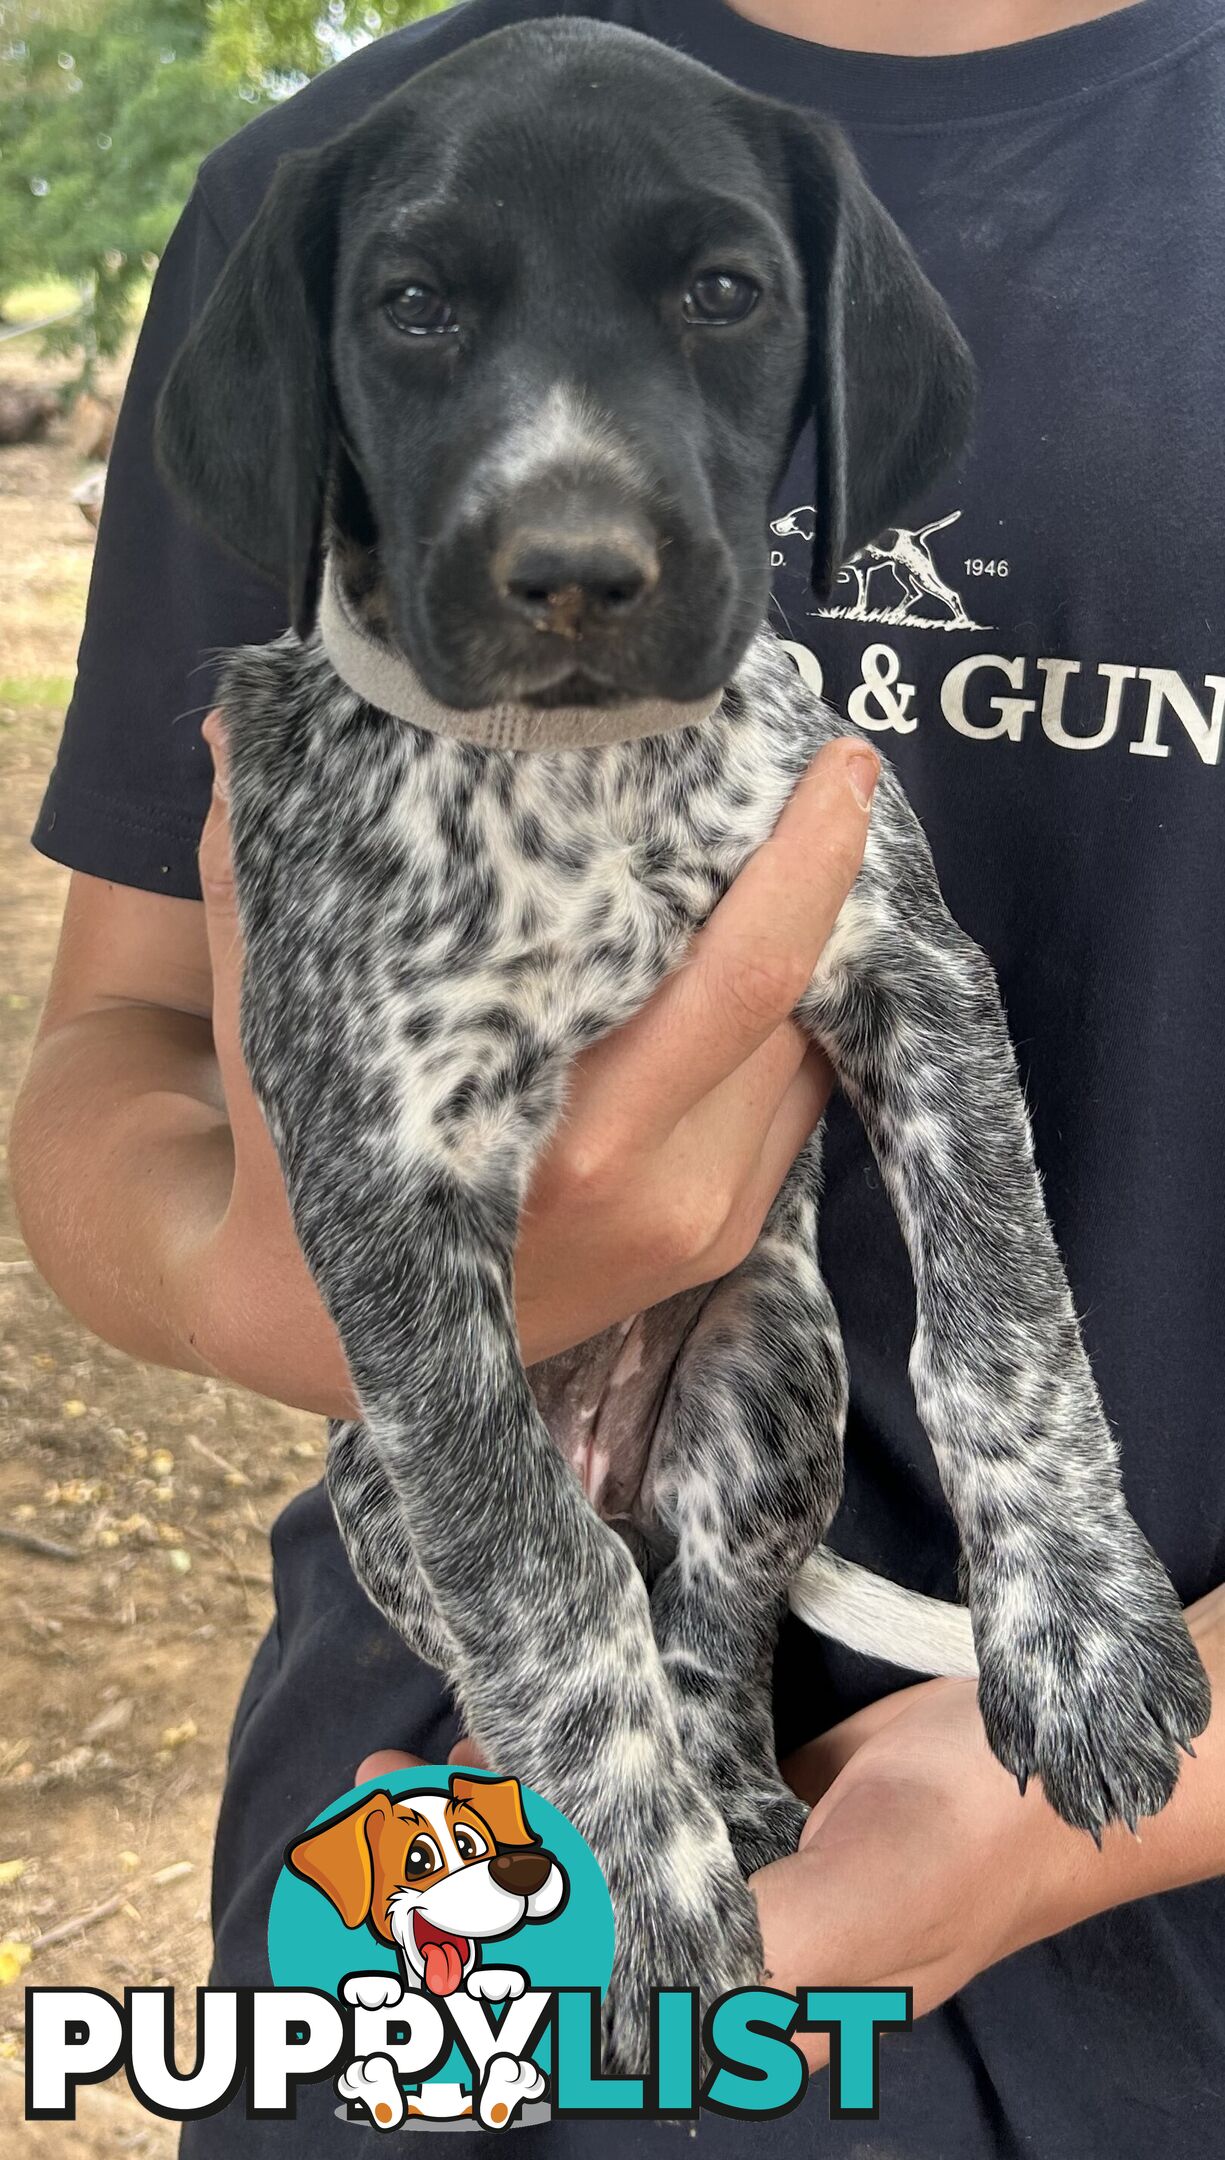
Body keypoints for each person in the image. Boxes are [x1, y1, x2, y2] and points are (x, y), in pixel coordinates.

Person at [11, 0, 1225, 2151]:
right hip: (449, 1840)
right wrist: (261, 1282)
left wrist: (1090, 1807)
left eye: (714, 301)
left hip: (1146, 1929)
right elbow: (125, 1053)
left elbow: (910, 1011)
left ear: (835, 366)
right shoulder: (323, 170)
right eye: (424, 312)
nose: (570, 527)